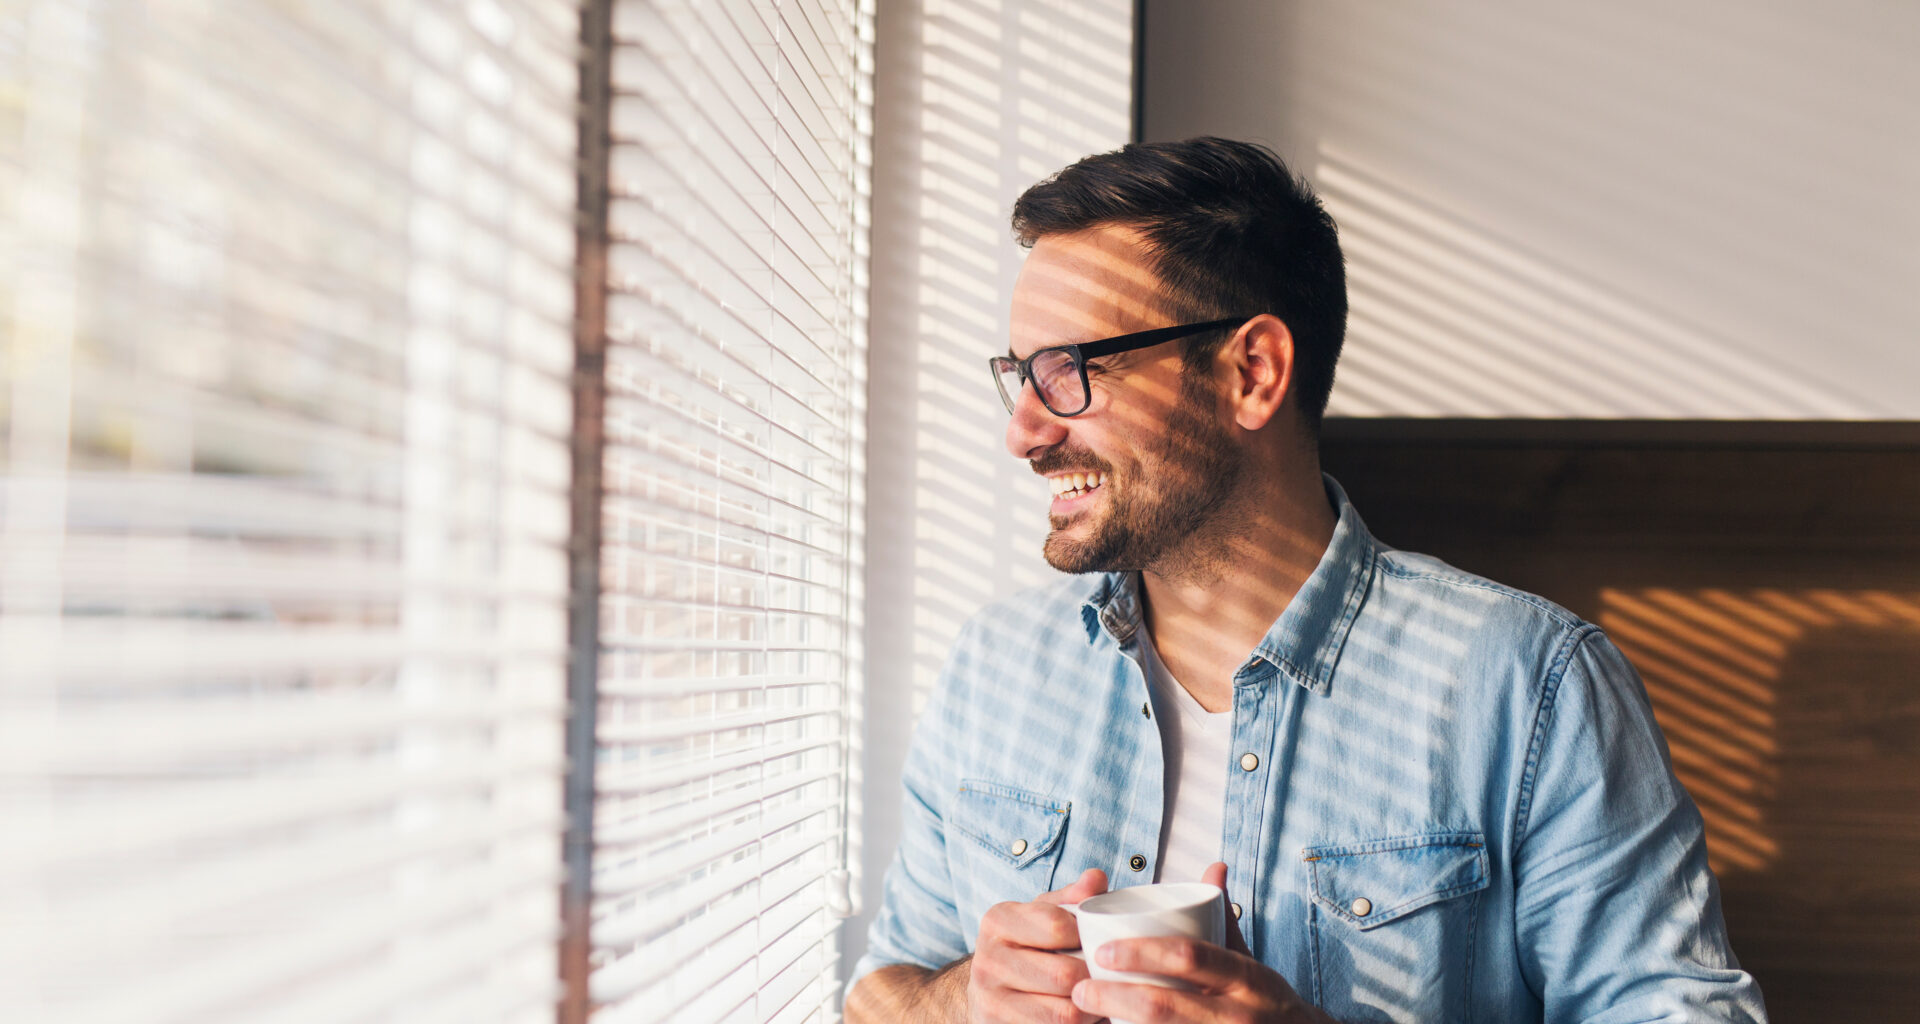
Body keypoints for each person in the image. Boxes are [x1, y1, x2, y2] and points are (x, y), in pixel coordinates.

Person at [843, 137, 1766, 1023]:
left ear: (1253, 372)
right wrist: (968, 999)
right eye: (1021, 375)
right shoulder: (994, 669)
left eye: (1072, 371)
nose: (1025, 432)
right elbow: (879, 991)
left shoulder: (1531, 685)